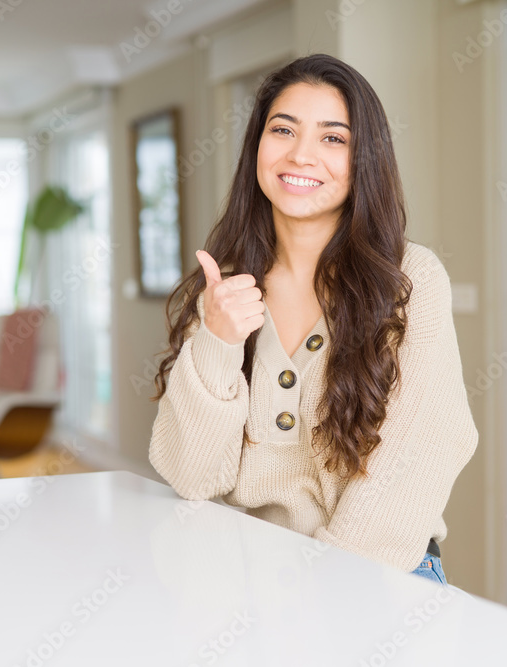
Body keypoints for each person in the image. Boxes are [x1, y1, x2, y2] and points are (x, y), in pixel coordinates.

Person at [148, 53, 478, 586]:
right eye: (283, 130)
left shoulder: (411, 280)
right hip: (249, 575)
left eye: (333, 138)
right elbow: (192, 476)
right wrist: (218, 339)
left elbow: (419, 458)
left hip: (376, 578)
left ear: (364, 159)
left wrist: (320, 591)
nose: (302, 155)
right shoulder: (225, 289)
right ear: (258, 145)